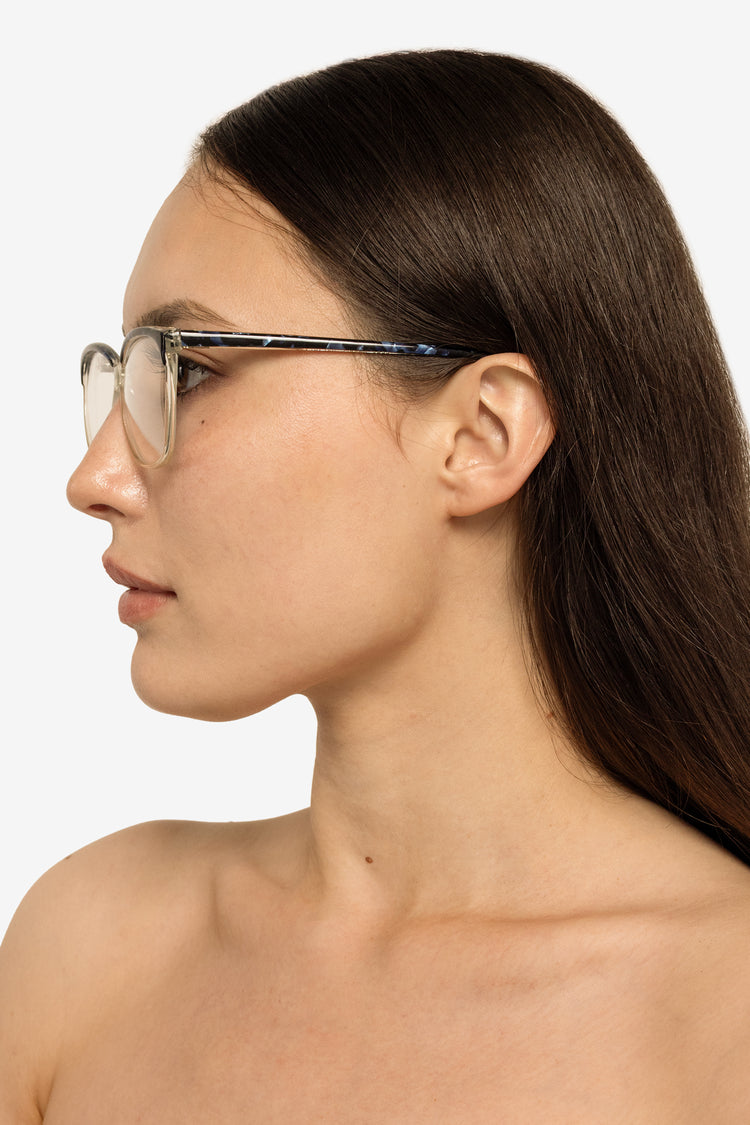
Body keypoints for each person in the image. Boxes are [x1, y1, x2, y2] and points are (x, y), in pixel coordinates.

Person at [2, 48, 750, 1122]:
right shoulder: (85, 947)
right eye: (125, 378)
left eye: (189, 371)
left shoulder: (723, 1015)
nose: (95, 478)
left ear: (482, 433)